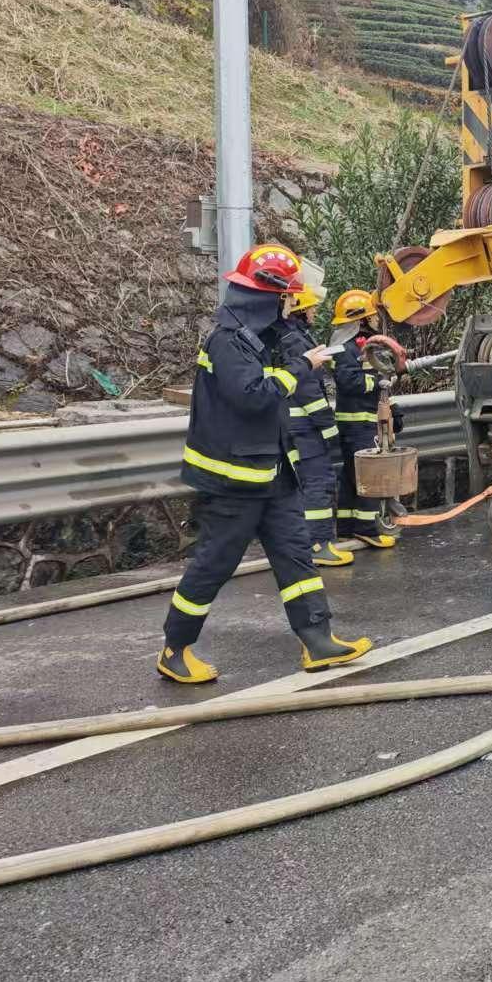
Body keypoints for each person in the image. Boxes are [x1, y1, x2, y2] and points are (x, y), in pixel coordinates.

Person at [158, 245, 373, 684]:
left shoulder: (255, 339)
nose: (288, 309)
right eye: (284, 300)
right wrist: (302, 366)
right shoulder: (227, 342)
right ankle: (174, 650)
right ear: (264, 298)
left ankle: (318, 640)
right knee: (213, 566)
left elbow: (270, 377)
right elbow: (254, 396)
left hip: (274, 477)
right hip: (233, 484)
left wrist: (296, 348)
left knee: (296, 557)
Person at [280, 283, 353, 569]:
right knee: (318, 483)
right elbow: (308, 390)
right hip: (305, 430)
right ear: (299, 309)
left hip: (297, 428)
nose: (314, 312)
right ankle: (317, 545)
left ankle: (306, 543)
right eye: (311, 308)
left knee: (307, 484)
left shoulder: (291, 337)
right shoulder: (295, 342)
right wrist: (329, 428)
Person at [330, 289, 399, 550]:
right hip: (359, 425)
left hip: (357, 424)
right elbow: (349, 381)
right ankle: (367, 528)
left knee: (352, 476)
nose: (376, 319)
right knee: (370, 476)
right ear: (362, 319)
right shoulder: (348, 349)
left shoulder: (359, 346)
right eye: (372, 315)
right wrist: (377, 380)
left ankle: (347, 527)